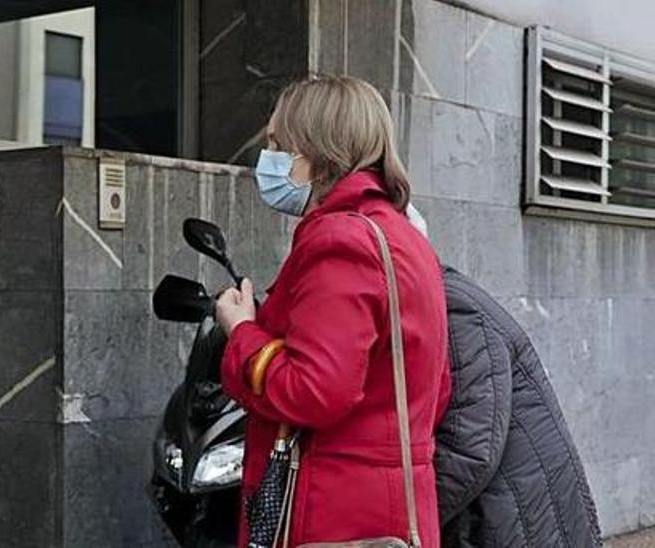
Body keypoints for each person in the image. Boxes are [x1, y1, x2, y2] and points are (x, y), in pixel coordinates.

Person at [214, 75, 451, 546]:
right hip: (392, 506)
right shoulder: (402, 235)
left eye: (278, 144)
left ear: (314, 151)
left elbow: (313, 390)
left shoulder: (340, 239)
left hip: (332, 511)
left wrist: (241, 331)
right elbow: (436, 385)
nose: (270, 159)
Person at [434, 265, 602, 547]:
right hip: (522, 510)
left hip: (520, 516)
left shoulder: (454, 308)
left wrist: (407, 521)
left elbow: (471, 449)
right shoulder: (454, 299)